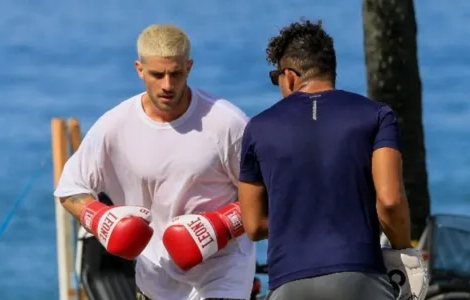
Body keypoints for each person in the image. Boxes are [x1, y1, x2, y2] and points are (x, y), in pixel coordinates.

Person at [54, 24, 256, 300]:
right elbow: (69, 189)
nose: (167, 85)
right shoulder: (115, 126)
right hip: (155, 279)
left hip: (223, 277)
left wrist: (222, 225)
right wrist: (100, 219)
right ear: (139, 69)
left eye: (175, 74)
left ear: (189, 67)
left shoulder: (227, 124)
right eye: (157, 74)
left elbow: (270, 192)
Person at [237, 19, 427, 300]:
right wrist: (404, 253)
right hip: (359, 275)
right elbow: (389, 202)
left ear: (289, 75)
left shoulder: (258, 127)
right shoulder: (376, 115)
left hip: (289, 280)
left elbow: (252, 225)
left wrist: (302, 218)